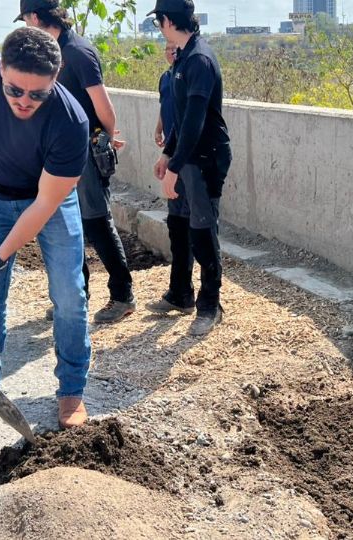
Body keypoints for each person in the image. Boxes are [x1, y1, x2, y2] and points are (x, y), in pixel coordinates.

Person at [0, 27, 92, 432]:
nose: (24, 101)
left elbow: (45, 203)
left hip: (48, 200)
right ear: (0, 69)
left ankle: (71, 391)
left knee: (68, 292)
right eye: (15, 90)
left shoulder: (71, 121)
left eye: (37, 94)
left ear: (55, 81)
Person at [17, 0, 135, 324]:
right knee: (68, 226)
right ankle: (76, 297)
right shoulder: (53, 52)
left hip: (83, 152)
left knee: (97, 222)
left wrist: (108, 138)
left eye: (26, 20)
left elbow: (102, 103)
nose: (26, 27)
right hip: (58, 153)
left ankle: (123, 294)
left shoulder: (77, 53)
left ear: (36, 17)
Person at [148, 0, 231, 336]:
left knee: (201, 229)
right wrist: (167, 154)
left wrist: (175, 166)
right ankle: (180, 293)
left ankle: (210, 304)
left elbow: (196, 124)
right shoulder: (183, 57)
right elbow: (181, 121)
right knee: (179, 225)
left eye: (158, 23)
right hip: (186, 156)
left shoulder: (198, 59)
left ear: (167, 21)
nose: (159, 29)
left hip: (204, 157)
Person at [154, 41, 176, 149]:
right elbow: (164, 106)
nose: (171, 52)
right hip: (169, 141)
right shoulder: (164, 77)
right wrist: (158, 130)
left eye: (174, 49)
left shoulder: (188, 75)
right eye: (168, 49)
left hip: (185, 142)